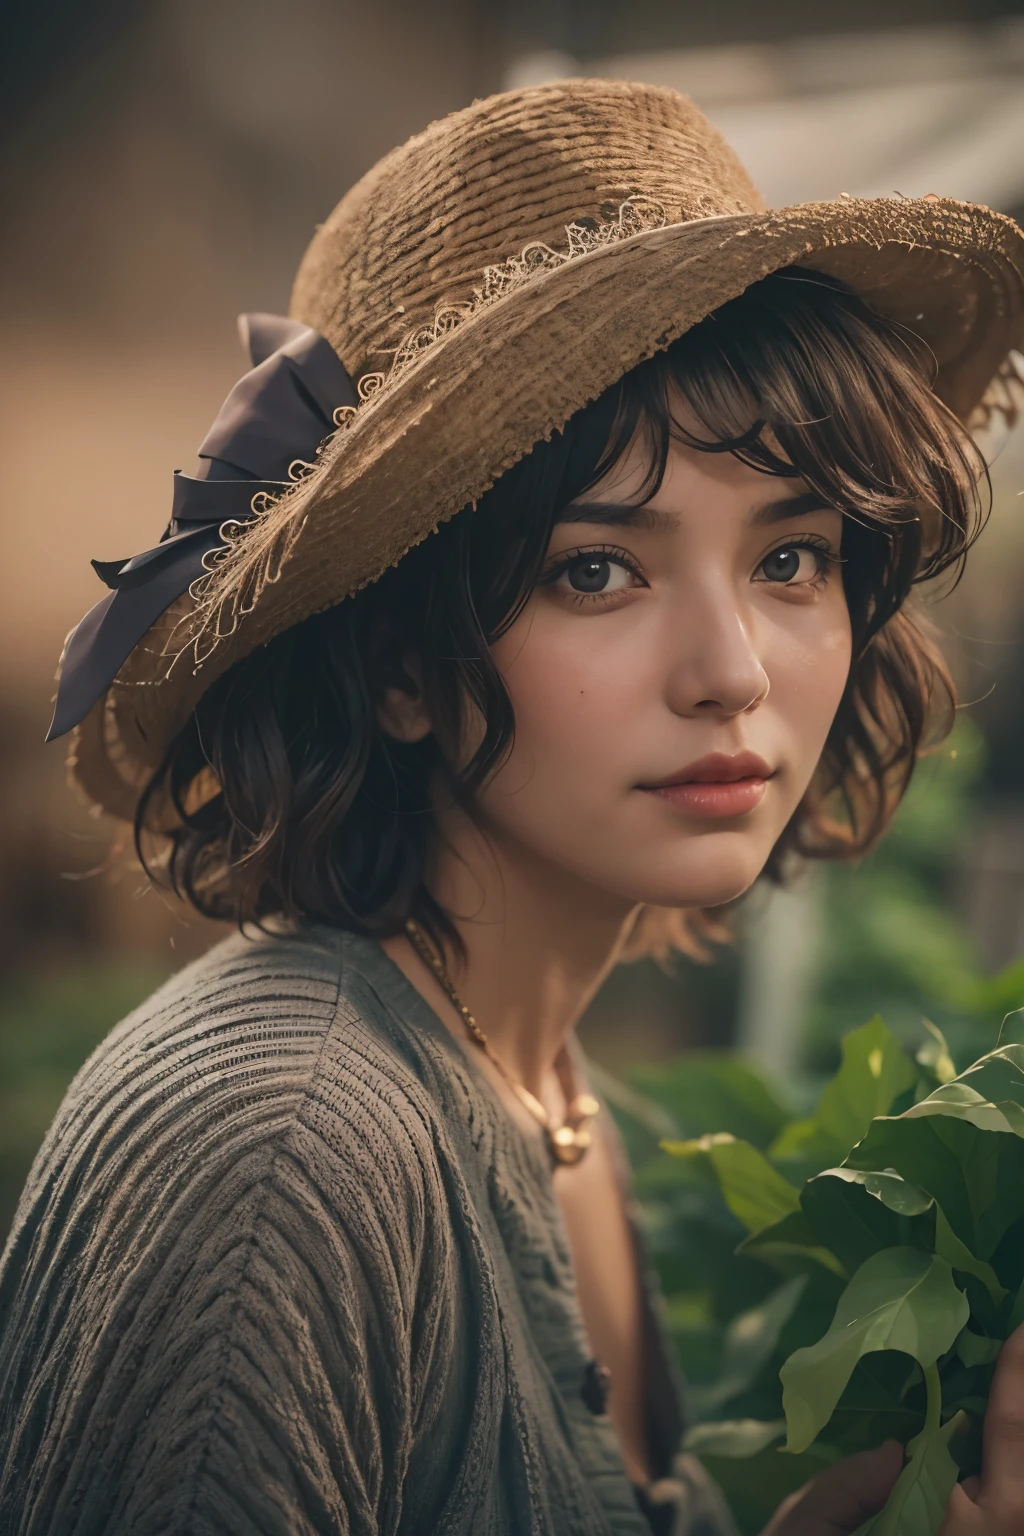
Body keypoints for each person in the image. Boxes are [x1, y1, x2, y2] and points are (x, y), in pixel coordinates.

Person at [1, 78, 1023, 1536]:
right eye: (596, 570)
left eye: (791, 558)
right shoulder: (289, 1152)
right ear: (404, 662)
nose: (731, 673)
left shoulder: (545, 1099)